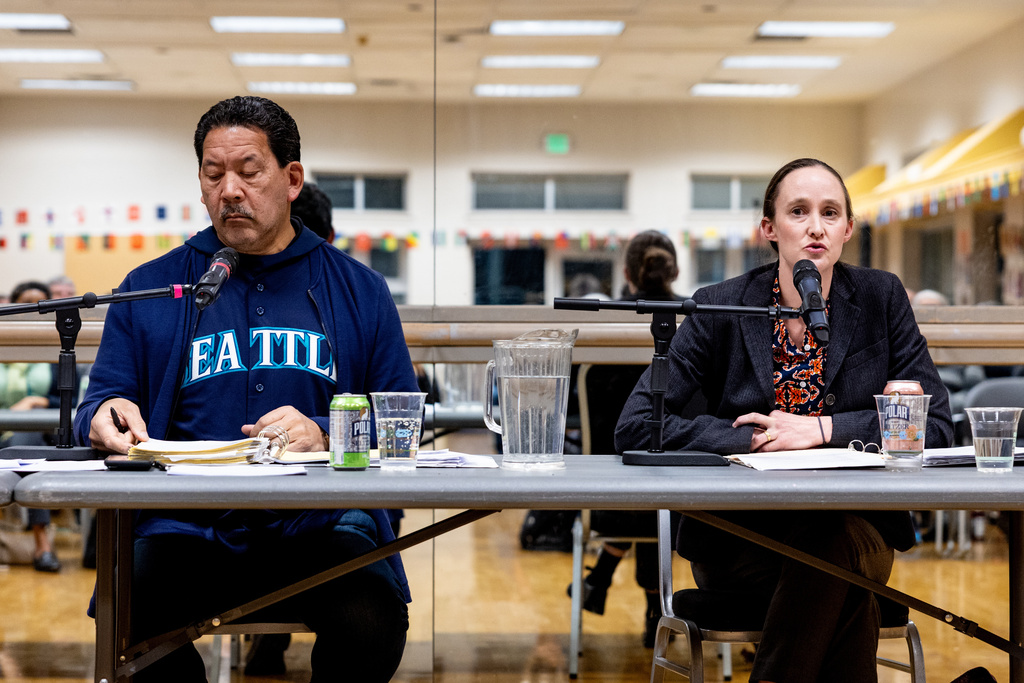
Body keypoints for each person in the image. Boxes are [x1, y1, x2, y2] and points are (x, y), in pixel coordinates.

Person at [73, 95, 418, 683]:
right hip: (182, 527)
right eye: (213, 175)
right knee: (127, 619)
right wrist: (105, 413)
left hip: (319, 526)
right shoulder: (151, 287)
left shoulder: (359, 290)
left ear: (291, 179)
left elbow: (400, 431)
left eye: (248, 171)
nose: (229, 189)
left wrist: (330, 435)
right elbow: (97, 407)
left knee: (373, 624)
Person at [615, 158, 953, 683]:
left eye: (830, 212)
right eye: (799, 211)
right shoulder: (719, 306)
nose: (816, 226)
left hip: (859, 528)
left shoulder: (881, 298)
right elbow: (637, 424)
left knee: (830, 542)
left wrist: (820, 430)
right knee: (838, 584)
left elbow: (936, 427)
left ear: (847, 229)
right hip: (739, 535)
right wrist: (751, 438)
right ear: (769, 229)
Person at [570, 230, 686, 647]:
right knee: (656, 484)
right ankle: (658, 607)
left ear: (626, 272)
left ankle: (603, 577)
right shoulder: (693, 323)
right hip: (683, 496)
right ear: (675, 269)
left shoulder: (606, 320)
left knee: (637, 478)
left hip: (604, 493)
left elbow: (572, 409)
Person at [1, 280, 76, 572]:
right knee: (22, 441)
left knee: (26, 438)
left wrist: (39, 402)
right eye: (27, 303)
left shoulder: (59, 347)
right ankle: (41, 544)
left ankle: (42, 542)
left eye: (40, 304)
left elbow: (67, 400)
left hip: (40, 435)